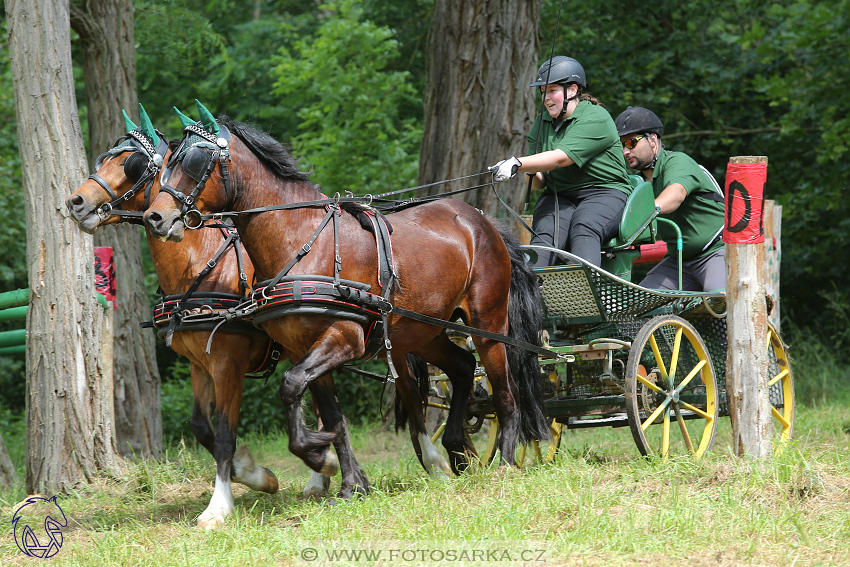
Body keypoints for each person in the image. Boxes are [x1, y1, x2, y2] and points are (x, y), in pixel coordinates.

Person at [490, 56, 632, 268]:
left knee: (584, 226)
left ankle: (585, 295)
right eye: (542, 92)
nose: (545, 98)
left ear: (572, 90)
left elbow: (560, 158)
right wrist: (525, 169)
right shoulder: (542, 122)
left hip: (605, 191)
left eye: (552, 90)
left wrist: (518, 163)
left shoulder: (596, 117)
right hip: (560, 195)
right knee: (545, 238)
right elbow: (539, 183)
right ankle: (534, 297)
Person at [615, 106, 726, 292]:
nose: (626, 151)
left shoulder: (676, 162)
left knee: (720, 303)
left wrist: (643, 212)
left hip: (716, 251)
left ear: (652, 139)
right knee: (638, 305)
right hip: (679, 260)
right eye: (622, 145)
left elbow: (676, 195)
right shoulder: (636, 182)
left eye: (631, 142)